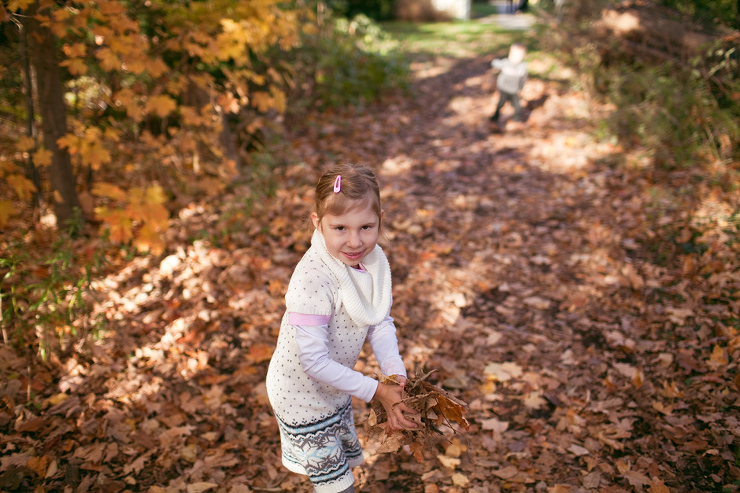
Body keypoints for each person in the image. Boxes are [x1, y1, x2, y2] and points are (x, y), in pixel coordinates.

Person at [265, 163, 418, 493]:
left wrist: (394, 375)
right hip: (300, 395)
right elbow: (314, 362)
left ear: (380, 221)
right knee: (337, 485)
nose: (354, 241)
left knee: (343, 467)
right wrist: (375, 390)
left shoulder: (372, 264)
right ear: (318, 224)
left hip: (335, 384)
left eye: (366, 227)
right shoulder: (312, 281)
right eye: (340, 228)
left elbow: (380, 322)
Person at [490, 43, 528, 124]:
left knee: (517, 106)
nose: (515, 58)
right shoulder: (505, 63)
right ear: (510, 54)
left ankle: (517, 119)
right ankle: (495, 117)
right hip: (504, 88)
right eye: (513, 55)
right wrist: (493, 61)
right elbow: (496, 63)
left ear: (522, 57)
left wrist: (521, 88)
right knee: (500, 104)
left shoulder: (522, 67)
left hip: (514, 90)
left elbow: (523, 79)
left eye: (518, 56)